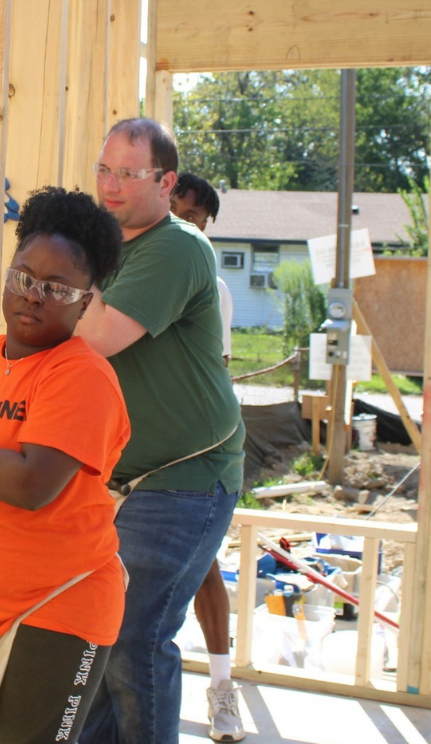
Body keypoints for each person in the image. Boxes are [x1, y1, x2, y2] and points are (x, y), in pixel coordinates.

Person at [76, 118, 245, 744]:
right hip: (120, 477)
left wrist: (54, 275)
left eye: (128, 173)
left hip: (184, 479)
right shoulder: (108, 247)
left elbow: (93, 338)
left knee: (135, 638)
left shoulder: (176, 246)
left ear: (167, 182)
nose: (111, 186)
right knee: (97, 639)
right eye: (103, 170)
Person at [0, 186, 129, 744]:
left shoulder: (81, 376)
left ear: (85, 302)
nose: (33, 296)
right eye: (23, 276)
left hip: (60, 606)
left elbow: (31, 482)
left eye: (57, 288)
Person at [170, 172, 245, 743]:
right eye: (181, 210)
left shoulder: (210, 286)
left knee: (202, 568)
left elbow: (209, 375)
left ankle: (222, 690)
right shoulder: (125, 269)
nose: (188, 224)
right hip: (128, 454)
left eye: (198, 219)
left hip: (192, 454)